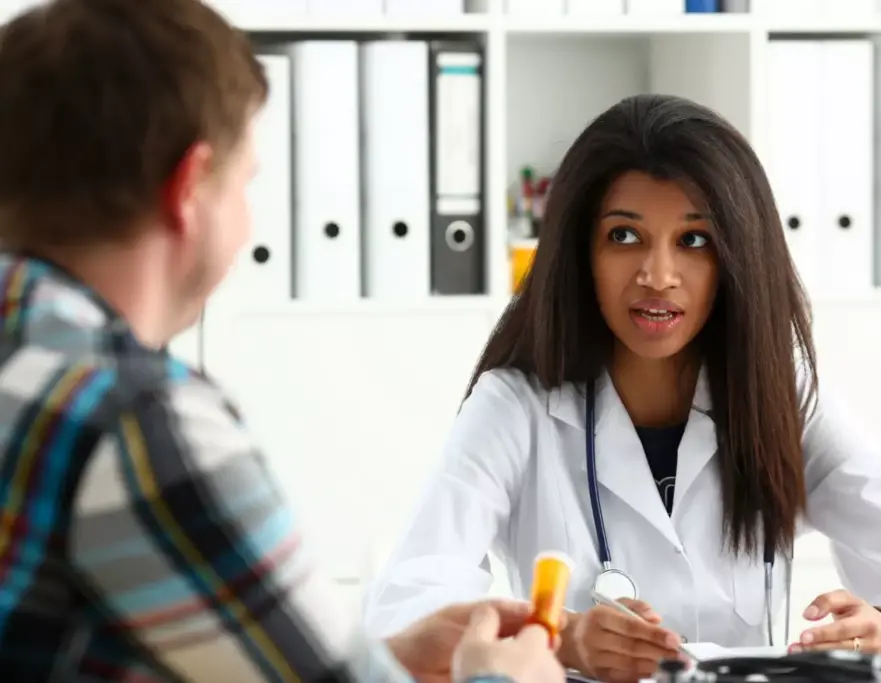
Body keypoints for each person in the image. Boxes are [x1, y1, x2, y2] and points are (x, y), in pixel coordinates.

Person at [0, 1, 565, 682]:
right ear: (188, 188)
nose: (248, 222)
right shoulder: (139, 424)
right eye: (246, 183)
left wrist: (383, 663)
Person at [362, 94, 881, 682]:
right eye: (625, 236)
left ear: (736, 257)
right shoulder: (517, 405)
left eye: (693, 240)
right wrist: (564, 639)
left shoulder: (780, 392)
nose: (658, 274)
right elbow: (407, 608)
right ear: (580, 252)